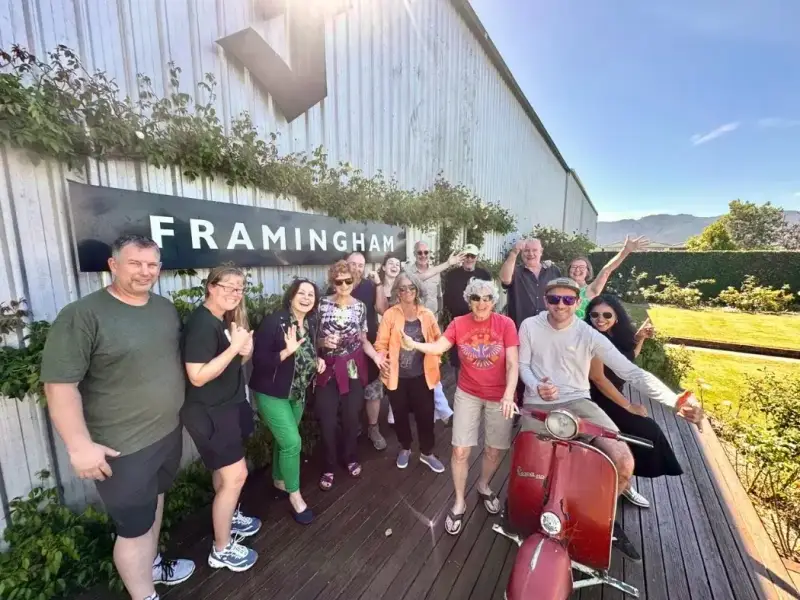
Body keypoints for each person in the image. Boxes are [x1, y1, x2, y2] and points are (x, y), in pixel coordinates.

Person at [40, 234, 195, 600]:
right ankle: (144, 596)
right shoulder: (83, 315)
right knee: (133, 529)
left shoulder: (163, 308)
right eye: (135, 263)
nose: (145, 272)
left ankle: (153, 566)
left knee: (155, 502)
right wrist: (79, 446)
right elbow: (59, 386)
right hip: (121, 448)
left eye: (152, 264)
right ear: (113, 265)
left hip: (167, 433)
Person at [517, 277, 704, 561]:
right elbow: (523, 365)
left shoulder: (588, 334)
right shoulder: (530, 326)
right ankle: (528, 511)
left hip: (579, 401)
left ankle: (596, 515)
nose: (560, 305)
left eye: (568, 300)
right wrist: (535, 385)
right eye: (554, 299)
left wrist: (673, 399)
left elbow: (630, 372)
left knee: (622, 459)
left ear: (577, 303)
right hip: (537, 400)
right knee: (528, 459)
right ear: (546, 301)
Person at [401, 278, 519, 536]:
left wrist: (509, 394)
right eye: (476, 297)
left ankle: (484, 485)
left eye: (487, 297)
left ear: (494, 300)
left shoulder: (506, 324)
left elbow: (512, 363)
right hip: (468, 392)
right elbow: (439, 347)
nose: (482, 302)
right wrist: (414, 345)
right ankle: (459, 501)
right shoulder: (459, 323)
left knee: (493, 450)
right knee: (460, 451)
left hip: (500, 396)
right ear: (469, 300)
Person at [180, 265, 261, 572]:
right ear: (210, 287)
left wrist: (244, 351)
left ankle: (228, 517)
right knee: (236, 476)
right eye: (227, 287)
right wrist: (235, 350)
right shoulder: (202, 324)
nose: (234, 293)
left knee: (225, 473)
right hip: (209, 411)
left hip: (228, 404)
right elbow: (198, 376)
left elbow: (230, 362)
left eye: (239, 288)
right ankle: (221, 549)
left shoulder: (223, 318)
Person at [585, 294, 682, 508]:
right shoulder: (591, 338)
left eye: (606, 315)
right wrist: (629, 406)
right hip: (598, 397)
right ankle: (623, 482)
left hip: (615, 394)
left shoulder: (618, 337)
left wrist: (640, 339)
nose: (600, 319)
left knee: (639, 434)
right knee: (646, 430)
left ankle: (623, 480)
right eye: (594, 315)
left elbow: (628, 359)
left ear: (616, 317)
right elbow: (599, 379)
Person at [250, 278, 325, 525]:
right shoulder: (275, 322)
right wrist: (285, 352)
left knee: (285, 443)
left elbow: (312, 351)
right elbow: (259, 362)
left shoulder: (312, 322)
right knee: (293, 443)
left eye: (311, 294)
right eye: (301, 293)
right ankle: (295, 496)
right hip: (273, 393)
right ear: (291, 296)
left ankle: (279, 480)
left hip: (297, 393)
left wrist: (319, 361)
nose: (306, 298)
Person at [316, 260, 386, 490]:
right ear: (332, 282)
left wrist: (375, 357)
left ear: (354, 281)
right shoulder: (321, 305)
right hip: (327, 369)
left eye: (348, 280)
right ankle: (328, 465)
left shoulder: (360, 307)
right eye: (339, 281)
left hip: (352, 369)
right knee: (327, 421)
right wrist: (323, 342)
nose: (344, 284)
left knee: (351, 418)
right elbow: (310, 339)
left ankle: (350, 457)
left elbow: (363, 339)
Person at [374, 273, 445, 473]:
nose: (407, 292)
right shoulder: (390, 314)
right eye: (403, 288)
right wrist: (381, 357)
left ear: (418, 290)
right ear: (397, 291)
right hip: (397, 377)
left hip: (423, 376)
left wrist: (436, 358)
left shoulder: (427, 314)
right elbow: (380, 343)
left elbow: (438, 341)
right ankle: (405, 447)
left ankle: (427, 452)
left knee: (425, 416)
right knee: (400, 415)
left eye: (411, 288)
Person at [345, 252, 388, 451]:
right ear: (346, 265)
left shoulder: (370, 287)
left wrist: (379, 284)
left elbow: (382, 309)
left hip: (370, 345)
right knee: (351, 388)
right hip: (346, 352)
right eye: (352, 264)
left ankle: (373, 428)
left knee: (373, 389)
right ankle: (353, 427)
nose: (356, 268)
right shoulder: (338, 285)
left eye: (360, 265)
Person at [568, 235, 649, 318]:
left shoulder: (591, 290)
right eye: (574, 267)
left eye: (581, 267)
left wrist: (626, 250)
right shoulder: (561, 288)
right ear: (569, 270)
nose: (577, 270)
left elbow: (606, 270)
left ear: (587, 272)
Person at [441, 244, 492, 377]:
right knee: (458, 360)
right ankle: (459, 391)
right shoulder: (452, 275)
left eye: (472, 256)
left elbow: (490, 299)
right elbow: (447, 298)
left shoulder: (484, 274)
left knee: (479, 357)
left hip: (480, 323)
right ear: (462, 257)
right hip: (459, 323)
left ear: (477, 257)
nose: (469, 259)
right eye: (466, 255)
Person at [499, 238, 562, 329]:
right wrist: (514, 253)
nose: (531, 254)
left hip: (548, 328)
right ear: (521, 253)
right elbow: (504, 279)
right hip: (520, 328)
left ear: (541, 251)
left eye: (535, 250)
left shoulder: (553, 271)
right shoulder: (515, 271)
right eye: (526, 250)